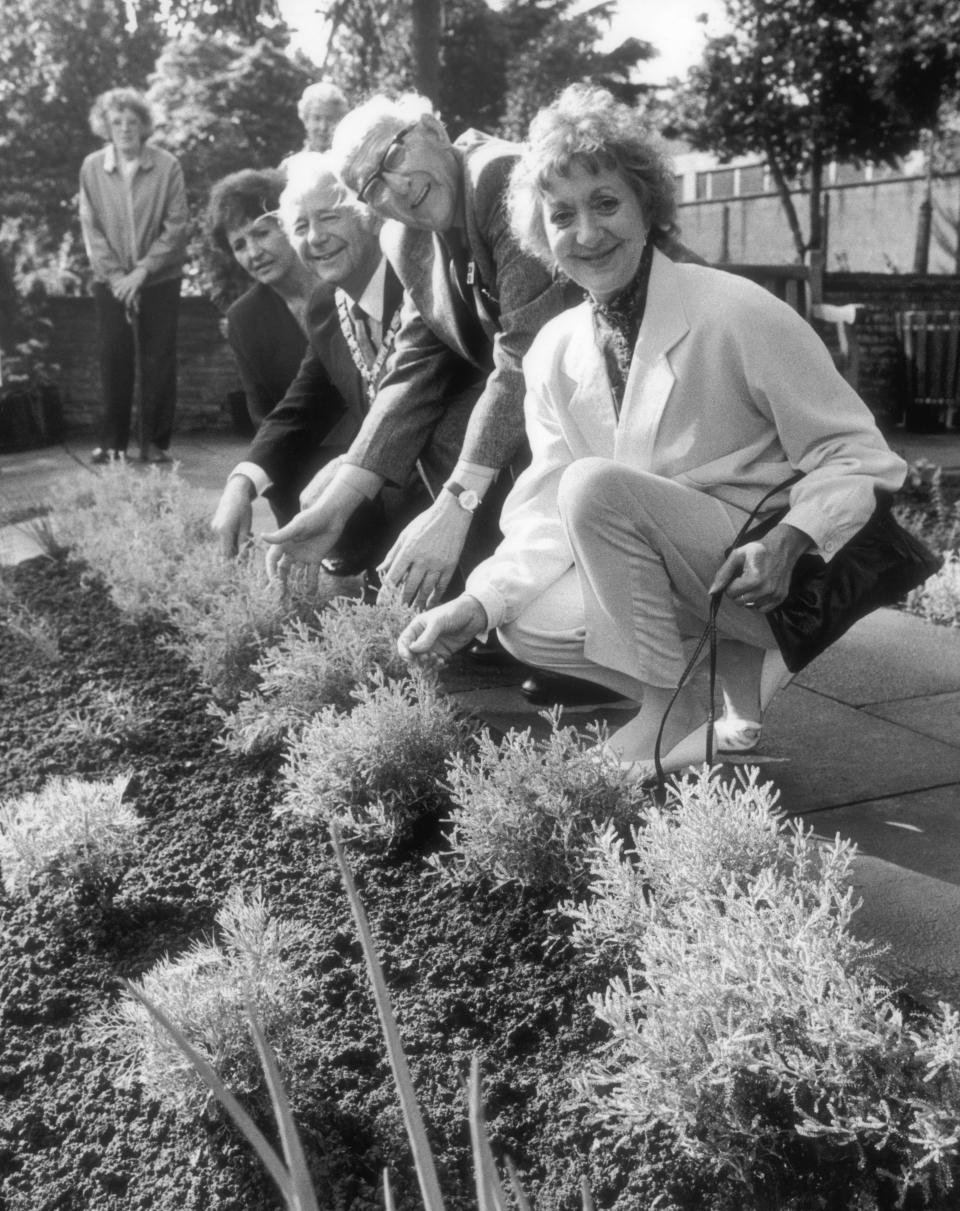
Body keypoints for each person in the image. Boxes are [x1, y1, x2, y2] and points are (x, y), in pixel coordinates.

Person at [396, 84, 908, 779]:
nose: (586, 233)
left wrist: (790, 541)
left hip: (781, 577)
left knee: (595, 486)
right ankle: (716, 683)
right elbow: (547, 507)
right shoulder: (552, 349)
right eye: (561, 216)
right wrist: (475, 603)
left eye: (606, 203)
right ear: (539, 237)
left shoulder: (735, 311)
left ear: (646, 206)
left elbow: (859, 454)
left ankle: (676, 707)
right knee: (525, 617)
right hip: (686, 576)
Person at [263, 91, 580, 610]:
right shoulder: (405, 240)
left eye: (391, 157)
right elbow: (414, 368)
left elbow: (525, 353)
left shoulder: (498, 178)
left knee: (473, 434)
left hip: (605, 376)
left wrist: (457, 504)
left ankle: (547, 608)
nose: (395, 188)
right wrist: (339, 503)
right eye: (371, 186)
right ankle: (485, 601)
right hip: (541, 384)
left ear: (432, 129)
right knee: (440, 429)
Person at [210, 153, 479, 569]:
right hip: (386, 516)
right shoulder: (327, 304)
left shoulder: (422, 278)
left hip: (465, 504)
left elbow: (448, 403)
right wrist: (241, 483)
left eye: (329, 218)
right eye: (300, 226)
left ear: (368, 215)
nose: (314, 238)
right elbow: (298, 410)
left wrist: (346, 469)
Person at [79, 88, 189, 464]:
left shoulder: (167, 165)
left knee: (159, 359)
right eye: (116, 122)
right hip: (111, 282)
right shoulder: (92, 167)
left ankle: (155, 444)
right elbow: (90, 230)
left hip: (159, 278)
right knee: (114, 357)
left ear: (144, 126)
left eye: (132, 122)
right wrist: (117, 278)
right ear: (105, 128)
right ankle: (113, 443)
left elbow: (177, 226)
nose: (125, 129)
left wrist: (141, 272)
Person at [206, 168, 318, 428]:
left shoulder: (341, 283)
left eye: (261, 233)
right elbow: (265, 417)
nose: (254, 253)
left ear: (289, 225)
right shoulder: (244, 319)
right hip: (308, 453)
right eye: (239, 246)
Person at [280, 81, 349, 174]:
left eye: (330, 119)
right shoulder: (289, 168)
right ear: (306, 120)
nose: (323, 127)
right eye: (317, 118)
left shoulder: (348, 167)